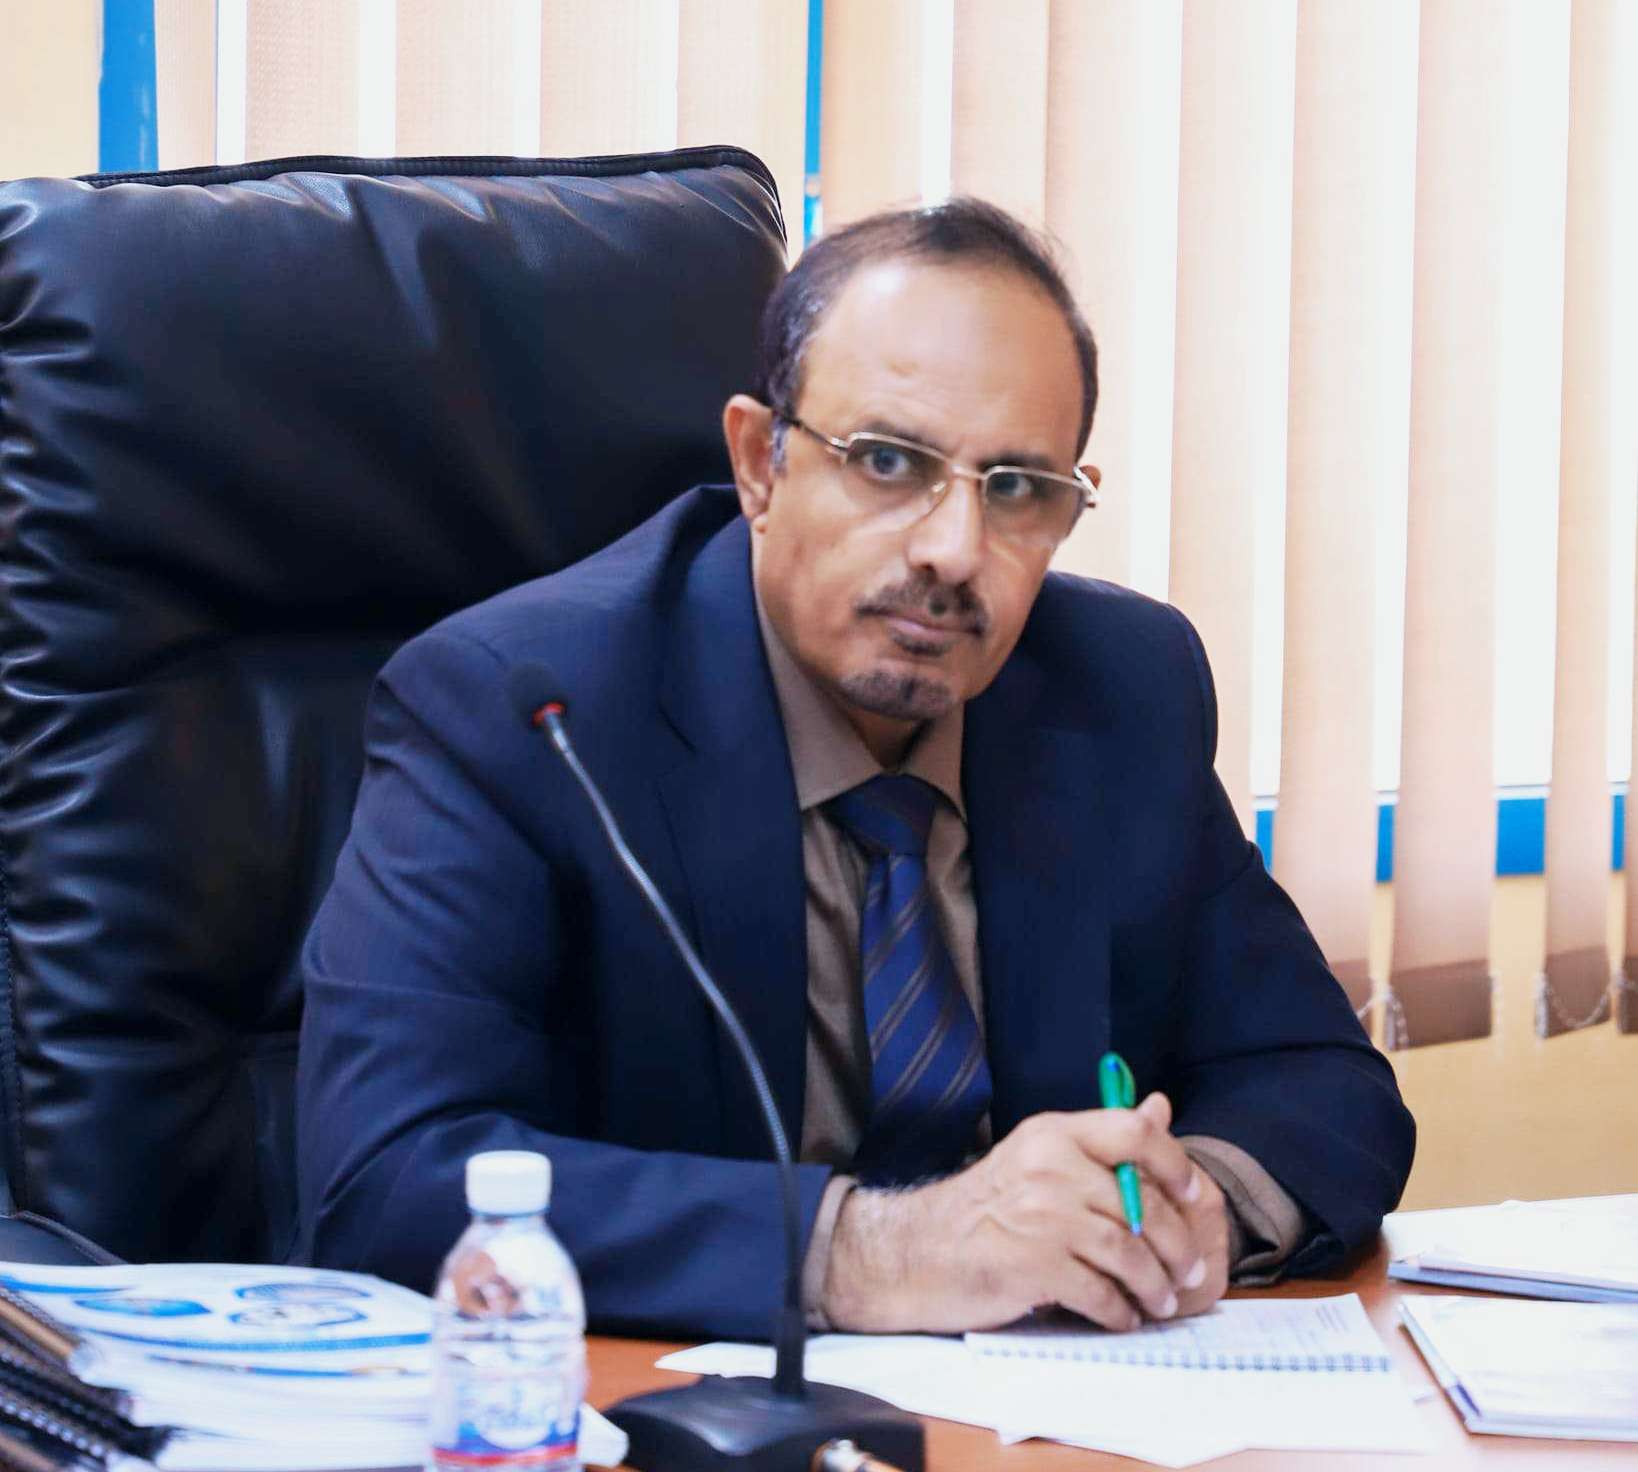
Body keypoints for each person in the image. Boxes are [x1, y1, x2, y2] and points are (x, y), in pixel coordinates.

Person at [296, 198, 1414, 1341]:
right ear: (759, 463)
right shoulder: (526, 710)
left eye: (1018, 488)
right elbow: (386, 1174)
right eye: (888, 461)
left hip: (1047, 1408)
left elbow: (1326, 1085)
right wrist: (872, 1251)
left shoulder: (1119, 689)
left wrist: (1188, 1210)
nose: (953, 550)